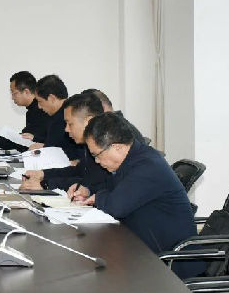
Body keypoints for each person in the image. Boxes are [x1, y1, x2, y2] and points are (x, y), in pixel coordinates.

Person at [70, 112, 204, 278]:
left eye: (96, 155)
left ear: (117, 147)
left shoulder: (147, 165)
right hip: (145, 251)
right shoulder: (133, 159)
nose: (96, 161)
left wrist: (97, 198)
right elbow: (111, 188)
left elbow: (116, 206)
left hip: (171, 263)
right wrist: (89, 191)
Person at [21, 93, 110, 192]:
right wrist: (43, 174)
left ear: (88, 122)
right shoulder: (87, 145)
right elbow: (78, 171)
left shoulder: (105, 146)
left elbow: (91, 182)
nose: (66, 129)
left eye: (70, 124)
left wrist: (46, 184)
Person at [28, 74, 80, 159]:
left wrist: (44, 148)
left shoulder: (66, 117)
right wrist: (39, 141)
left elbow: (74, 152)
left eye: (40, 101)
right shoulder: (58, 114)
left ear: (52, 98)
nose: (39, 107)